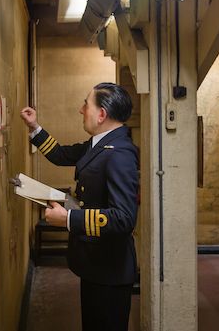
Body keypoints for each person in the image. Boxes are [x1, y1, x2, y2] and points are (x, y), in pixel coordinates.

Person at [20, 82, 139, 331]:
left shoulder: (119, 153)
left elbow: (124, 218)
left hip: (110, 269)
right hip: (96, 264)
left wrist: (68, 219)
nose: (81, 110)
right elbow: (62, 155)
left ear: (102, 114)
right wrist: (35, 128)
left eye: (86, 104)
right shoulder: (100, 143)